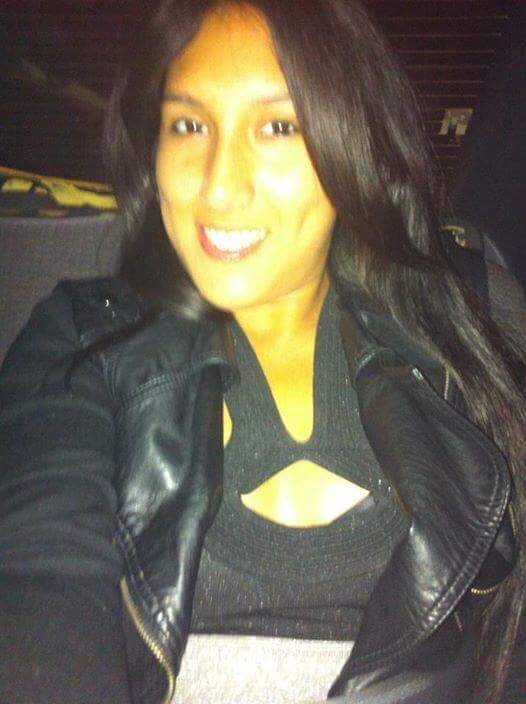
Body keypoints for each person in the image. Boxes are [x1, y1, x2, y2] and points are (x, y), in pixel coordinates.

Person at [0, 1, 525, 703]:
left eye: (278, 127)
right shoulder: (82, 338)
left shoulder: (467, 326)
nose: (219, 185)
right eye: (188, 125)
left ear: (353, 142)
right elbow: (37, 578)